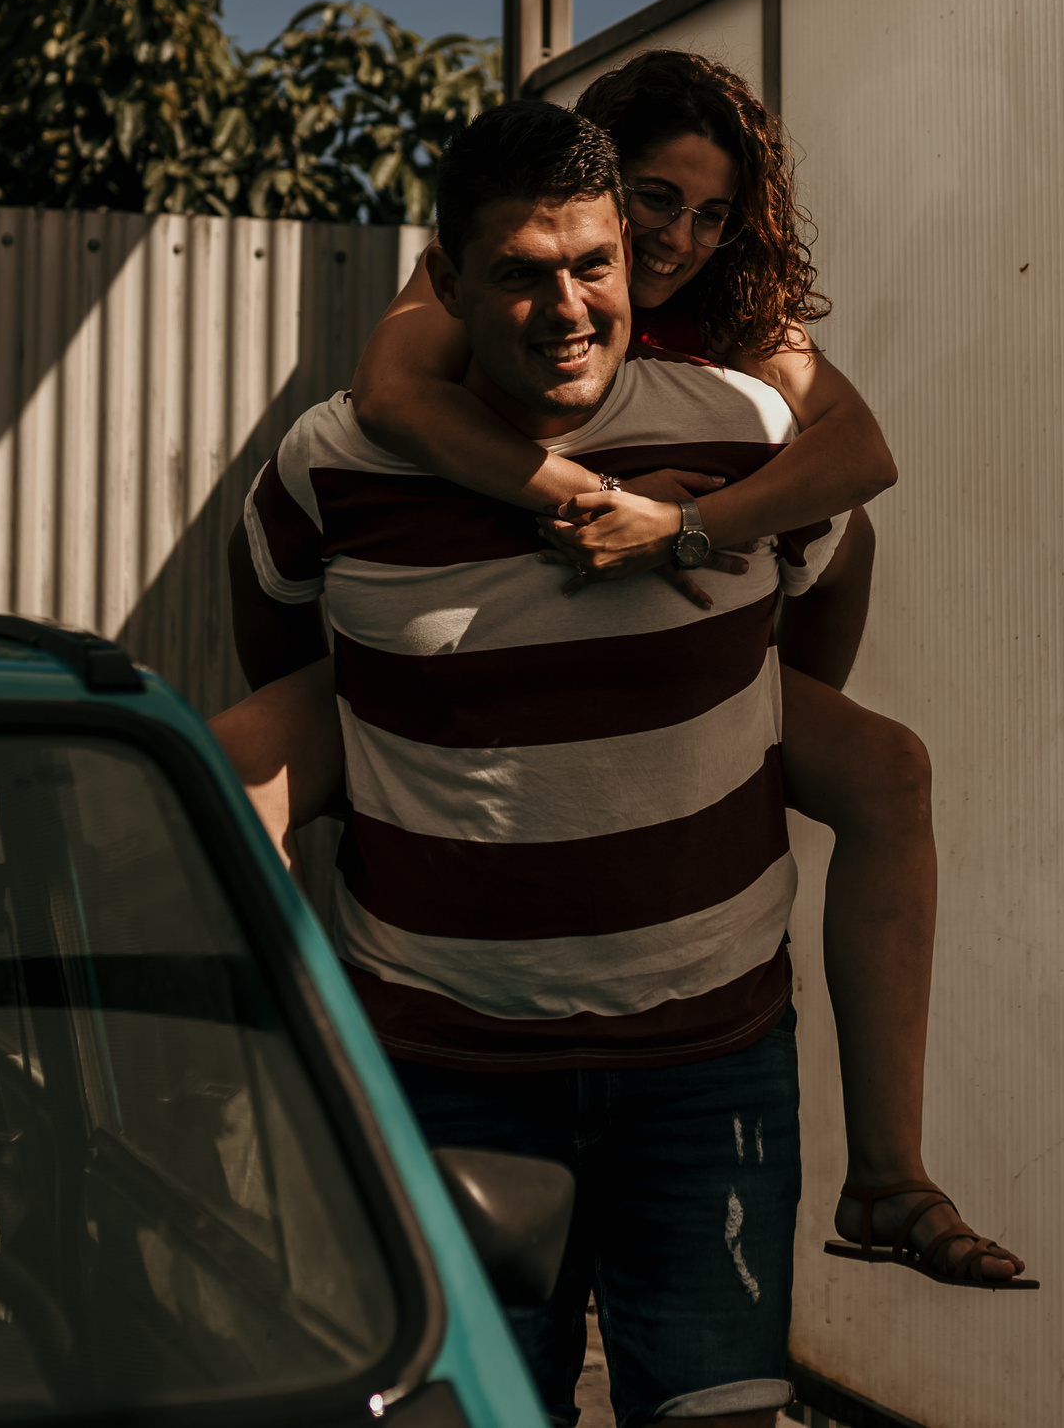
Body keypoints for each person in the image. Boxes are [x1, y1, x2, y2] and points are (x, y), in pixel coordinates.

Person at [216, 51, 1032, 1301]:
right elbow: (389, 402)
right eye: (656, 199)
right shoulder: (498, 269)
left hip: (685, 654)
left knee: (887, 770)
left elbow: (860, 473)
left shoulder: (737, 337)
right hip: (434, 670)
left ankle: (887, 1172)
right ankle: (270, 1133)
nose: (679, 240)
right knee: (231, 770)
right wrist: (589, 496)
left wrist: (694, 549)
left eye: (712, 213)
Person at [229, 100, 829, 1427]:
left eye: (592, 264)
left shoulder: (743, 433)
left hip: (710, 1059)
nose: (567, 308)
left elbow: (827, 585)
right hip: (441, 1065)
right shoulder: (331, 465)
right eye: (520, 272)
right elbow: (280, 647)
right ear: (445, 282)